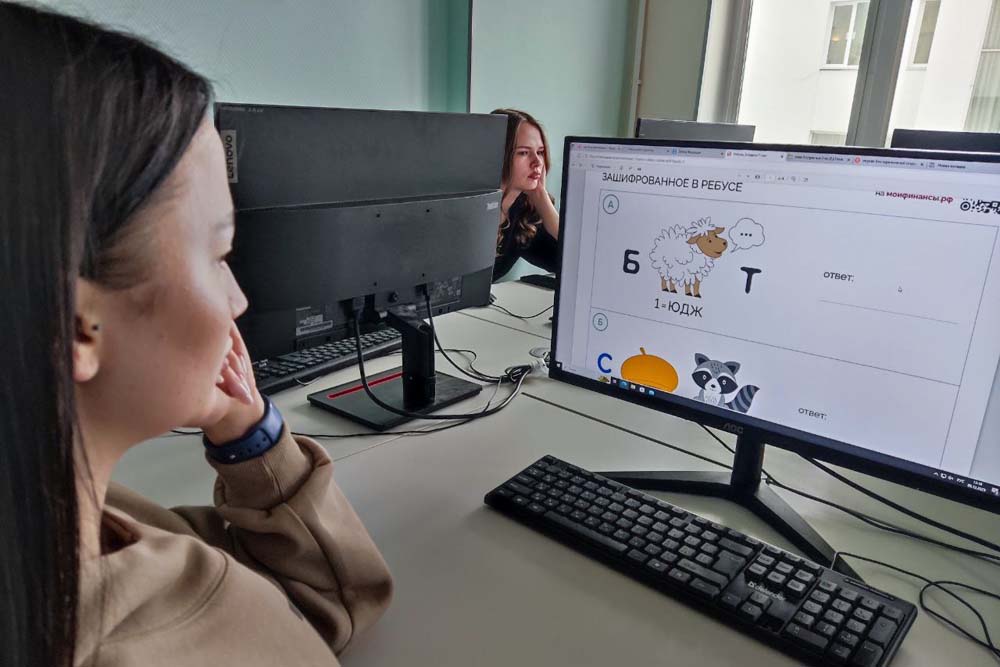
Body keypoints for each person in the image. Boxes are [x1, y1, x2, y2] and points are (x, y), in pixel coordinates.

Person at [0, 4, 391, 666]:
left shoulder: (58, 517)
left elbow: (318, 600)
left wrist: (248, 434)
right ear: (75, 326)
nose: (238, 299)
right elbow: (338, 607)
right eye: (218, 254)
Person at [491, 108, 561, 281]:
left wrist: (543, 201)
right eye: (523, 152)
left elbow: (572, 263)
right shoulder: (466, 207)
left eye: (540, 152)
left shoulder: (523, 212)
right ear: (498, 155)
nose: (537, 162)